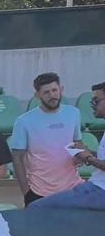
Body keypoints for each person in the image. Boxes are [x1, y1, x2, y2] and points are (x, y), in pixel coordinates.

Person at [12, 72, 83, 206]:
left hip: (72, 188)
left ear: (61, 90)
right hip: (39, 191)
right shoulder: (23, 121)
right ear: (37, 95)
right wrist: (26, 192)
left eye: (54, 90)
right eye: (46, 92)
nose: (52, 95)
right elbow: (17, 159)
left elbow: (77, 142)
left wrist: (80, 155)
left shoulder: (74, 113)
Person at [33, 81, 105, 210]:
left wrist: (89, 158)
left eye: (96, 101)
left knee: (38, 207)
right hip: (96, 186)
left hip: (100, 190)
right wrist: (87, 153)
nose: (92, 105)